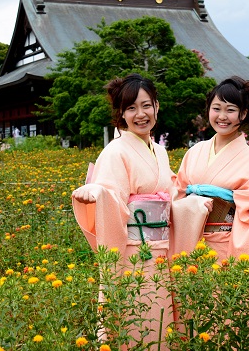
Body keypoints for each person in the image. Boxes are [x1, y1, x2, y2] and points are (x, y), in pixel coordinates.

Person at [72, 73, 174, 349]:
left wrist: (196, 203)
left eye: (146, 105)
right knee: (133, 321)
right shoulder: (115, 151)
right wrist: (97, 193)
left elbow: (171, 195)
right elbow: (110, 193)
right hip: (131, 254)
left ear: (157, 106)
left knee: (160, 321)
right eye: (131, 108)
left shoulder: (160, 151)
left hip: (161, 252)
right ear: (121, 114)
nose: (140, 114)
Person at [172, 76, 249, 266]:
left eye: (231, 110)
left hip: (224, 245)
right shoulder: (194, 152)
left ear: (243, 114)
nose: (222, 116)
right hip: (189, 241)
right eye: (216, 108)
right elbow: (177, 195)